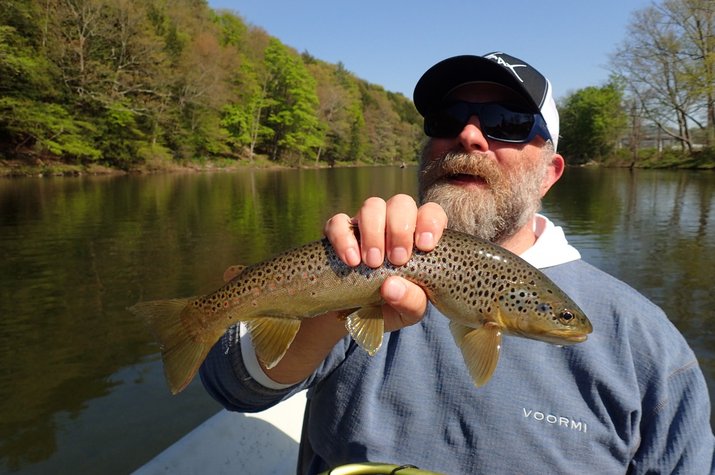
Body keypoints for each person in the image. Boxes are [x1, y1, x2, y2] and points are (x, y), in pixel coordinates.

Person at [200, 52, 715, 474]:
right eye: (448, 120)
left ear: (550, 173)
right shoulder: (358, 255)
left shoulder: (646, 344)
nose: (468, 136)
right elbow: (230, 386)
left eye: (507, 124)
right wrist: (330, 307)